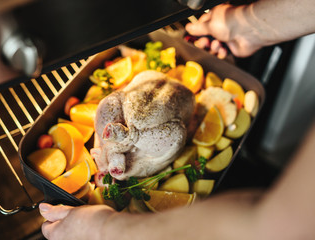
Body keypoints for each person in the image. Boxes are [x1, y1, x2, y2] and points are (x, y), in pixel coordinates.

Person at [39, 1, 315, 239]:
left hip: (159, 127)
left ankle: (119, 148)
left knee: (143, 130)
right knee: (113, 105)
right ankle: (116, 145)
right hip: (139, 105)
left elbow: (271, 229)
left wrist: (103, 230)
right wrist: (250, 25)